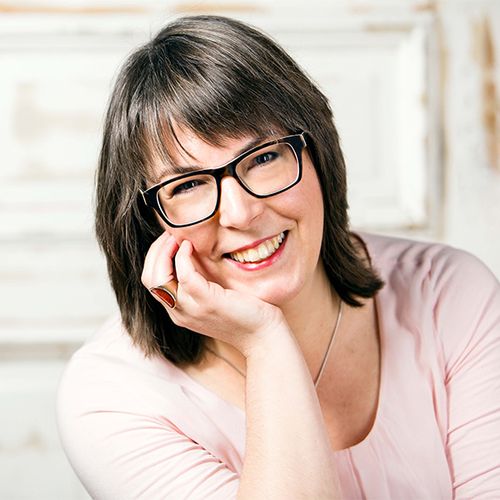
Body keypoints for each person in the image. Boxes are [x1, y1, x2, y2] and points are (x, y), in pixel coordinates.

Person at [56, 14, 500, 499]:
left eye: (264, 157)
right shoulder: (111, 395)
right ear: (148, 222)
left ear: (317, 154)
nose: (242, 213)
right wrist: (265, 341)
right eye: (187, 185)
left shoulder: (449, 297)